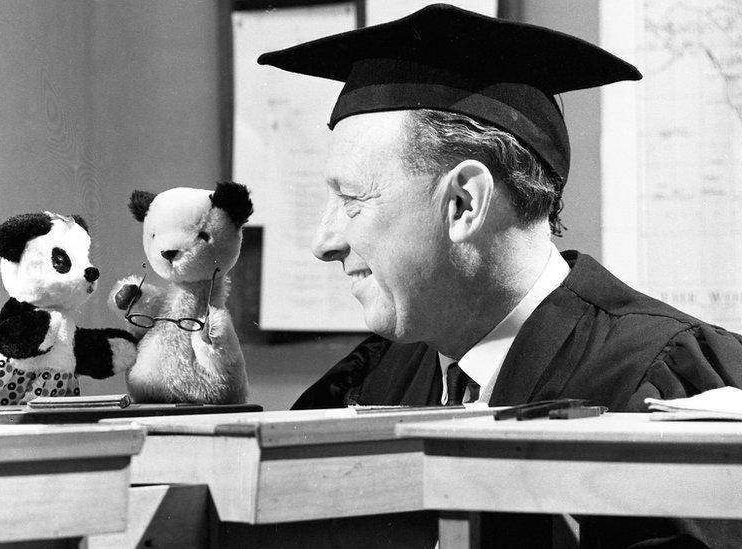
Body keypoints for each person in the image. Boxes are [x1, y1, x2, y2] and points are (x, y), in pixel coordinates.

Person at [258, 4, 742, 548]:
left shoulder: (665, 383)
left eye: (351, 199)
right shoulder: (379, 380)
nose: (324, 242)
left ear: (465, 202)